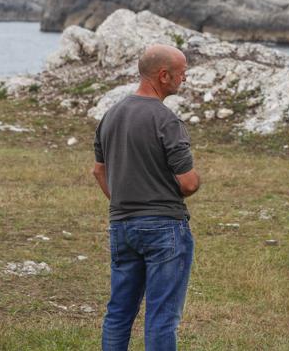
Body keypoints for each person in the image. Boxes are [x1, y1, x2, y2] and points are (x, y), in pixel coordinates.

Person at [92, 44, 201, 351]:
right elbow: (189, 183)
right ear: (163, 75)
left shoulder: (111, 115)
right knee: (161, 316)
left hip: (122, 225)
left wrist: (124, 201)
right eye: (181, 72)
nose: (185, 78)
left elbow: (99, 171)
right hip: (164, 227)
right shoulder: (166, 120)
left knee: (118, 312)